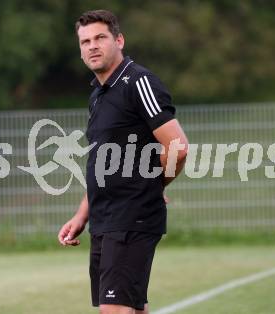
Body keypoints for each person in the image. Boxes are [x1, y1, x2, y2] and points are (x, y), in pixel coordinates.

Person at [57, 9, 189, 314]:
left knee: (114, 310)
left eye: (100, 37)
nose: (92, 46)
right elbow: (103, 165)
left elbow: (178, 148)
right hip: (105, 218)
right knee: (131, 308)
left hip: (132, 216)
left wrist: (152, 185)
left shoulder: (138, 82)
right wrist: (81, 216)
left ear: (119, 40)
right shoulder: (98, 95)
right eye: (85, 41)